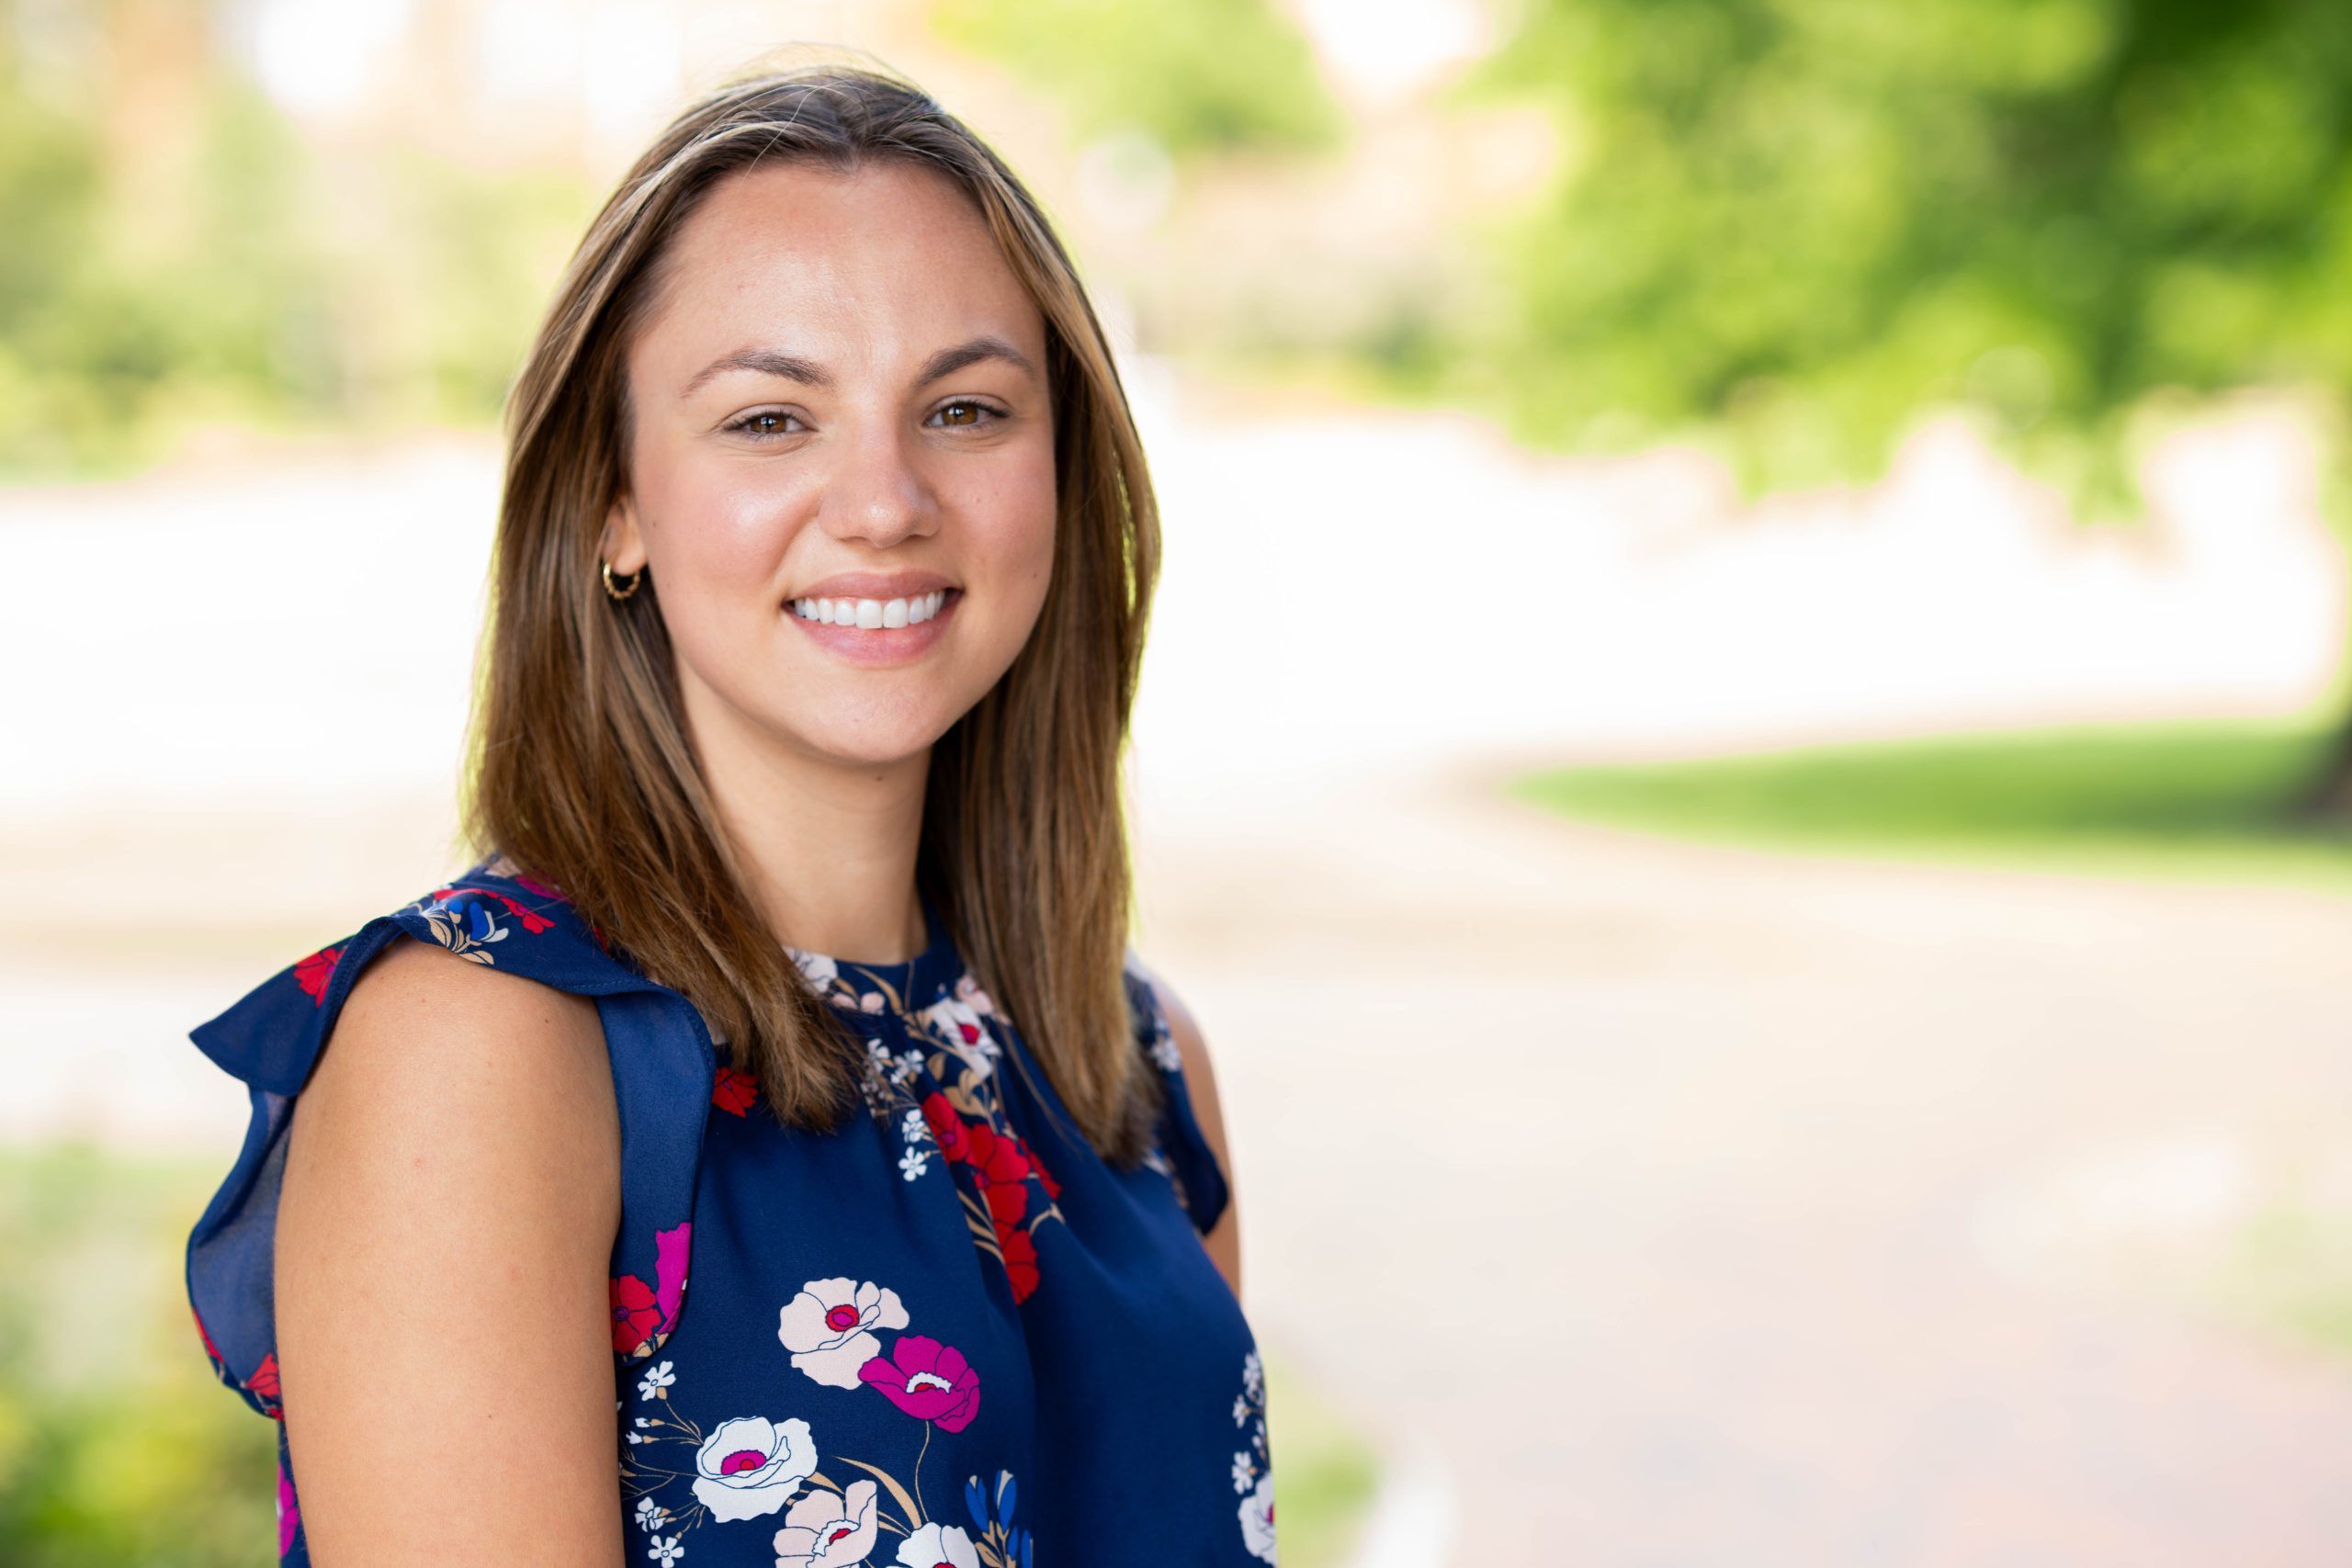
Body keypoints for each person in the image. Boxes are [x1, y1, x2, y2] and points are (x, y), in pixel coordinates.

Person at [181, 56, 1276, 1567]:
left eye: (964, 408)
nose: (885, 500)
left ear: (1063, 473)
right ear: (612, 502)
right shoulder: (485, 1054)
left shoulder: (1136, 1063)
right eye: (771, 420)